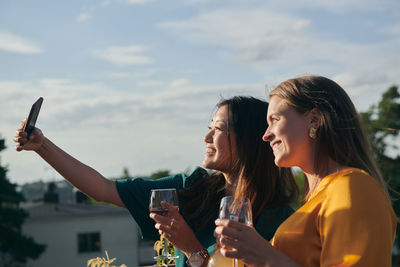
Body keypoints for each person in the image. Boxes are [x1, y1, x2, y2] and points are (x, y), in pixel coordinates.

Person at [14, 96, 299, 267]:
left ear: (249, 140)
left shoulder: (278, 222)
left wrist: (192, 250)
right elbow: (102, 188)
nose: (207, 137)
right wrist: (42, 146)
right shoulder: (192, 188)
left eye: (219, 129)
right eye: (208, 128)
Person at [214, 76, 397, 267]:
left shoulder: (353, 187)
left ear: (314, 120)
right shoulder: (322, 196)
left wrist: (267, 257)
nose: (266, 135)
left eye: (275, 120)